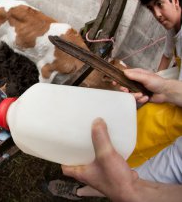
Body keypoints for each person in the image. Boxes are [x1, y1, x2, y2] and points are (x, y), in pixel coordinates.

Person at [47, 68, 182, 201]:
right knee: (117, 164)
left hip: (177, 169)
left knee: (127, 179)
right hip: (167, 131)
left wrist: (131, 191)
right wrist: (167, 89)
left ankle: (79, 192)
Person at [138, 0, 182, 77]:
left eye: (159, 4)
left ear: (175, 0)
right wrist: (154, 79)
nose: (157, 14)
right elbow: (167, 56)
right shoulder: (173, 27)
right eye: (151, 9)